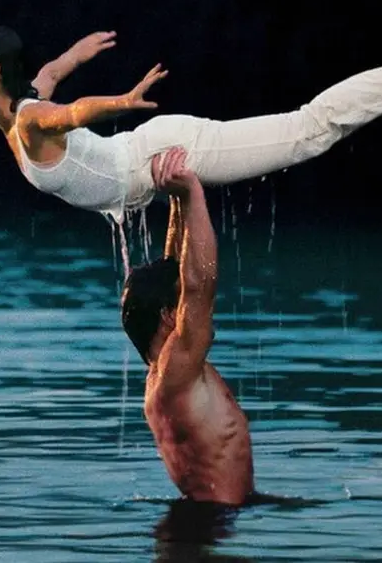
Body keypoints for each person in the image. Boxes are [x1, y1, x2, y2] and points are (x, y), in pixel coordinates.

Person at [0, 23, 382, 223]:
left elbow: (73, 113)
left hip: (161, 152)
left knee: (307, 130)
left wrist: (122, 99)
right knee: (308, 132)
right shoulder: (24, 105)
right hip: (150, 159)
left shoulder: (30, 121)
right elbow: (50, 74)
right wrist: (79, 52)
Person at [120, 146, 253, 505]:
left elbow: (178, 266)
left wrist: (177, 198)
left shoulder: (165, 372)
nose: (191, 309)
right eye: (178, 303)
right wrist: (194, 191)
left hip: (203, 516)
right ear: (168, 315)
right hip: (212, 522)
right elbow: (198, 283)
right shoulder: (177, 366)